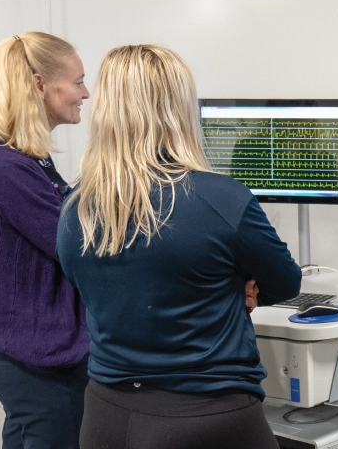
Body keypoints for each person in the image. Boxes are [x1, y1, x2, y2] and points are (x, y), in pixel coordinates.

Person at [58, 45, 302, 449]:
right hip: (209, 418)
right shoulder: (221, 199)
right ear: (178, 108)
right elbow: (286, 283)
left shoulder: (74, 208)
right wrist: (238, 283)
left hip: (105, 417)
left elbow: (99, 287)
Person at [0, 31, 92, 448]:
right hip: (45, 368)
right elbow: (75, 246)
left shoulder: (25, 158)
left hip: (37, 361)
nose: (85, 93)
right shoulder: (2, 165)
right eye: (78, 81)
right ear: (39, 85)